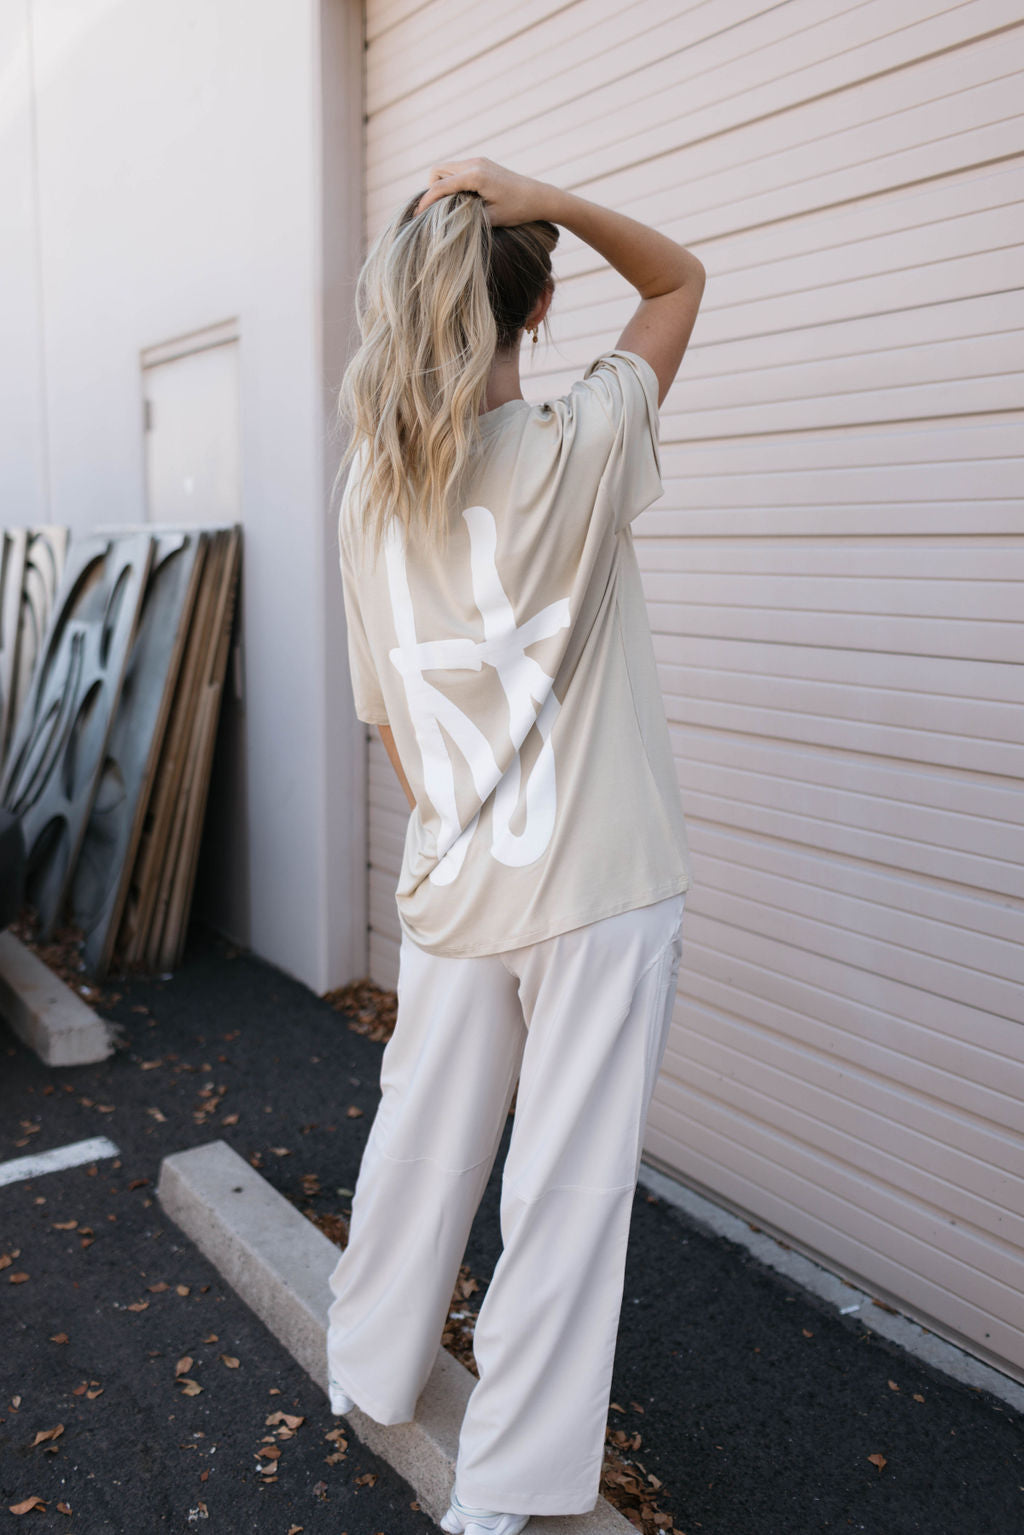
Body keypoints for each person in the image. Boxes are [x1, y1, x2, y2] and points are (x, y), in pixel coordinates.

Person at [325, 157, 706, 1535]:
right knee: (567, 1186)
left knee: (424, 1133)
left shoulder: (367, 490)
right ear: (536, 314)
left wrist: (462, 814)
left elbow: (389, 724)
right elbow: (678, 279)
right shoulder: (584, 446)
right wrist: (544, 192)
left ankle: (365, 1366)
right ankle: (503, 1493)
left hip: (458, 877)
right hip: (601, 883)